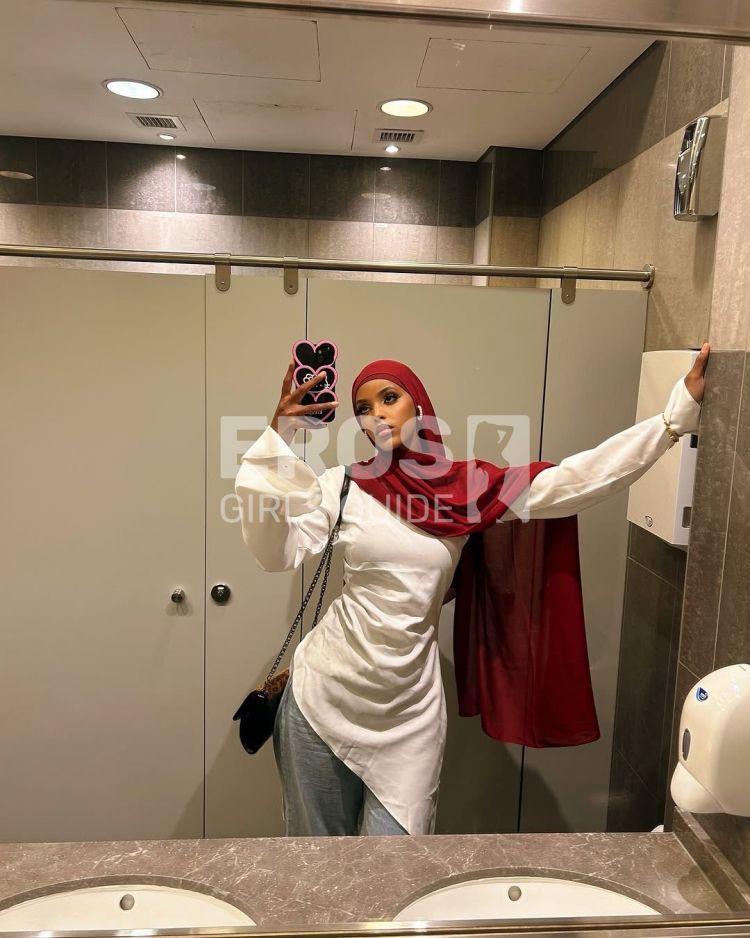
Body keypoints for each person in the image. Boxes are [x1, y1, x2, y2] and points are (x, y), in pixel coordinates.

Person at [234, 343, 710, 837]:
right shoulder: (345, 485)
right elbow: (275, 553)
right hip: (322, 698)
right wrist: (281, 433)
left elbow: (575, 481)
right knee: (316, 863)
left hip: (408, 716)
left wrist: (673, 419)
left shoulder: (468, 490)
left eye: (389, 398)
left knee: (394, 869)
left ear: (419, 405)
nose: (377, 415)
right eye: (363, 408)